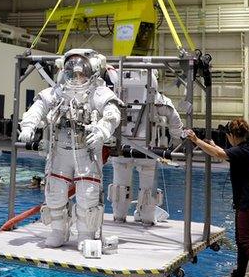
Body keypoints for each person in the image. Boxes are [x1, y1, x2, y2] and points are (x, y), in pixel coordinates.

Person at [18, 49, 121, 249]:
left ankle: (85, 234)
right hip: (59, 150)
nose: (76, 76)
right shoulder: (57, 91)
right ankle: (58, 230)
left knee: (88, 194)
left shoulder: (98, 92)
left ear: (92, 71)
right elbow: (37, 108)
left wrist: (101, 130)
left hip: (87, 151)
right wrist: (28, 126)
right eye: (72, 71)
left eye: (81, 72)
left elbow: (112, 114)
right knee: (54, 192)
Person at [185, 119, 249, 277]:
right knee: (241, 242)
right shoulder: (244, 149)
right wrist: (213, 145)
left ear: (232, 136)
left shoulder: (242, 151)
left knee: (246, 242)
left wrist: (196, 140)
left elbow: (219, 154)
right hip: (247, 202)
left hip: (248, 204)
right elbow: (221, 152)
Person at [106, 67, 184, 225]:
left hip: (122, 148)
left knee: (120, 186)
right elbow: (173, 117)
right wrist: (176, 143)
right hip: (148, 150)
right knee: (148, 188)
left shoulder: (115, 96)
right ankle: (147, 218)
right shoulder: (158, 100)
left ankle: (119, 216)